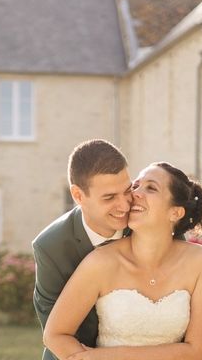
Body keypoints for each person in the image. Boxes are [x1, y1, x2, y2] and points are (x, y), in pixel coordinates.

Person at [43, 162, 202, 360]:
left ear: (175, 213)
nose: (136, 193)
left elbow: (198, 352)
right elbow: (55, 335)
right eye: (135, 186)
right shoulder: (101, 262)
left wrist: (106, 357)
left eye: (151, 188)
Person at [32, 139, 133, 360]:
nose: (125, 206)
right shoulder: (50, 247)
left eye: (127, 191)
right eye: (109, 197)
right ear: (78, 196)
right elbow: (55, 333)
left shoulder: (153, 225)